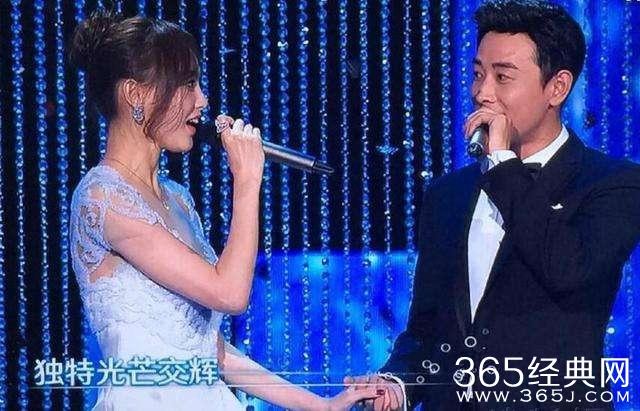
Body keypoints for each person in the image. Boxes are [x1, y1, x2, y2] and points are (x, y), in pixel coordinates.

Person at [68, 11, 379, 410]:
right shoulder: (102, 198)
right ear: (136, 94)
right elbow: (230, 293)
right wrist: (247, 182)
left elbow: (207, 350)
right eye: (187, 84)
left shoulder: (178, 198)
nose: (202, 101)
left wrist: (322, 405)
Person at [347, 1, 640, 410]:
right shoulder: (448, 195)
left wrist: (503, 165)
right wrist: (399, 383)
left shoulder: (613, 183)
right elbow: (427, 329)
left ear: (557, 87)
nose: (481, 93)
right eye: (478, 74)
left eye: (502, 77)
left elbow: (567, 269)